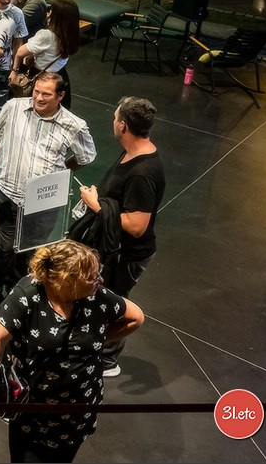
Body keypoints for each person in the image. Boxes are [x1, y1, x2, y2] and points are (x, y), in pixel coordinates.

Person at [0, 240, 144, 463]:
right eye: (92, 277)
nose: (100, 280)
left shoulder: (97, 296)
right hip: (32, 409)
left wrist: (96, 340)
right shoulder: (29, 294)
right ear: (67, 280)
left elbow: (136, 317)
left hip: (76, 411)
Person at [0, 73, 97, 311]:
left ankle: (18, 287)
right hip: (8, 191)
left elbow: (86, 156)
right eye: (36, 91)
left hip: (43, 201)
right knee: (3, 245)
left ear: (60, 96)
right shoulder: (13, 108)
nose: (39, 98)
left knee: (32, 248)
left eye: (46, 94)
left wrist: (61, 170)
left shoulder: (74, 125)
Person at [76, 96, 165, 376]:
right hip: (115, 250)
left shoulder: (142, 173)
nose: (113, 123)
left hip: (128, 255)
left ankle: (107, 360)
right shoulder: (132, 151)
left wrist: (97, 205)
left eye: (115, 119)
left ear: (123, 126)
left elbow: (138, 225)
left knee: (114, 302)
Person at [12, 0, 81, 108]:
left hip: (41, 76)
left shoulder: (46, 35)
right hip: (61, 76)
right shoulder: (72, 34)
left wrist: (14, 70)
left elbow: (20, 52)